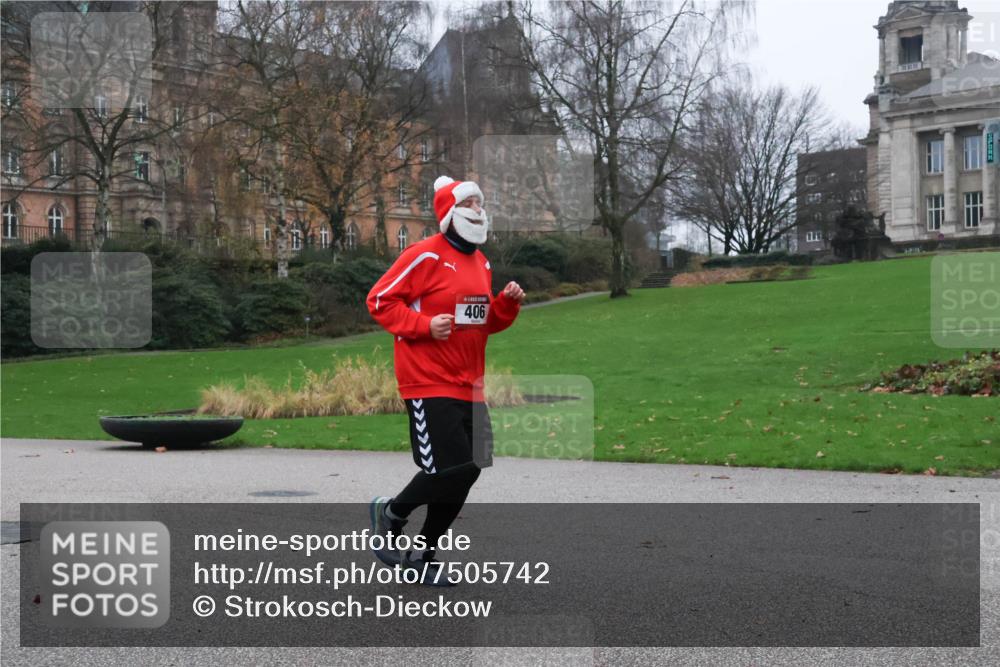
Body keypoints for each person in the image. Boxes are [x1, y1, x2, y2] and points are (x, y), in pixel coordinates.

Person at [365, 175, 524, 586]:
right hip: (427, 379)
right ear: (449, 213)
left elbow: (481, 323)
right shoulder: (425, 255)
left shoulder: (482, 262)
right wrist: (422, 325)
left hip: (469, 382)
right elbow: (380, 299)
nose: (477, 209)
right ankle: (391, 514)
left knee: (470, 468)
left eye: (479, 203)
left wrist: (504, 305)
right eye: (469, 203)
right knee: (448, 468)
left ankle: (423, 556)